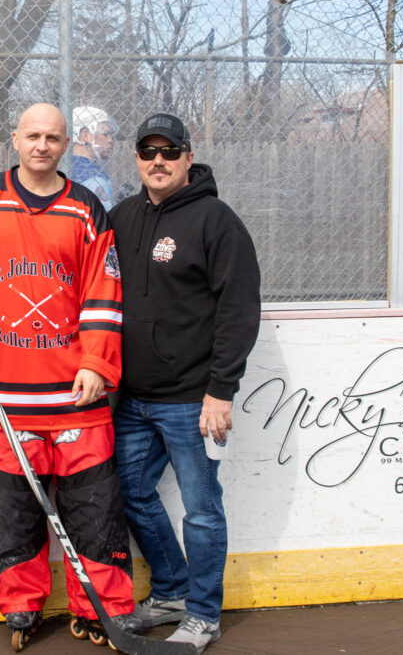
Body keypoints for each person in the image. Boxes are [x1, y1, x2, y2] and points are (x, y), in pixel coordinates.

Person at [0, 103, 137, 648]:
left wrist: (96, 362)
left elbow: (104, 291)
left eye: (52, 137)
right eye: (32, 136)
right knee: (14, 511)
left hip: (75, 397)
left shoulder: (86, 208)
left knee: (94, 511)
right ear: (15, 139)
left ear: (66, 143)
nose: (42, 145)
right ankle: (20, 607)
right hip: (2, 396)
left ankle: (103, 608)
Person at [108, 113, 260, 653]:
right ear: (136, 158)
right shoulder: (121, 218)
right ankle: (171, 590)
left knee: (201, 512)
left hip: (193, 400)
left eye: (169, 151)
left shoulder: (216, 221)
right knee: (128, 492)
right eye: (148, 151)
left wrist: (221, 390)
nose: (158, 161)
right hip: (132, 399)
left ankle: (203, 614)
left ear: (188, 158)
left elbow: (239, 309)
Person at [70, 105, 119, 211]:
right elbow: (104, 217)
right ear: (86, 136)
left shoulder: (61, 167)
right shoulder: (94, 177)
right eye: (105, 134)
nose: (110, 140)